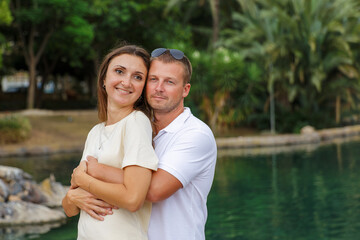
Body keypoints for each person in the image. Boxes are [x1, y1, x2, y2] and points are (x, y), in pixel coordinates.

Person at [68, 48, 217, 240]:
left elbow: (153, 190)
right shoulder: (135, 129)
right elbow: (75, 199)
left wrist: (93, 173)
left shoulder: (195, 134)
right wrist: (74, 196)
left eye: (169, 82)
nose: (159, 88)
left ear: (185, 90)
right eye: (153, 79)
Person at [61, 44, 159, 240]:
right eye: (119, 71)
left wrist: (86, 181)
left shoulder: (137, 122)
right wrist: (72, 197)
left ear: (143, 87)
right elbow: (69, 209)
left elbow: (133, 199)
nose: (127, 82)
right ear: (104, 79)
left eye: (137, 77)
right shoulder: (95, 132)